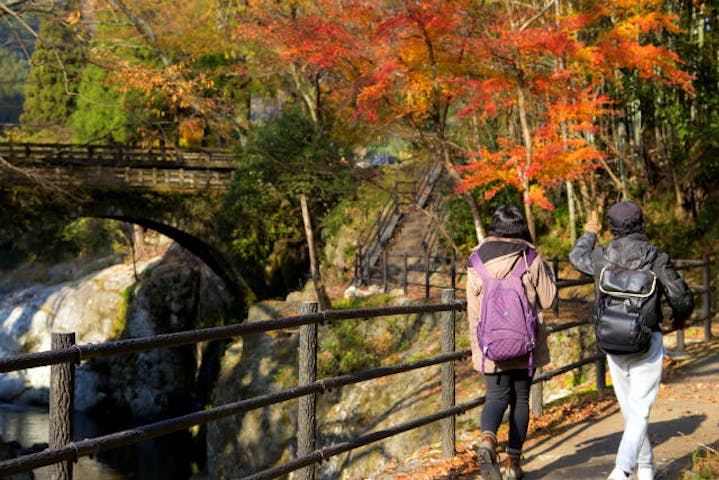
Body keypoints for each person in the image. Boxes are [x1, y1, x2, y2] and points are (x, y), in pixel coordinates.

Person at [569, 201, 694, 480]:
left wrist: (590, 232)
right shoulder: (655, 257)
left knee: (631, 411)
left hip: (612, 343)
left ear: (611, 228)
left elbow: (577, 257)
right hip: (646, 341)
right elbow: (681, 296)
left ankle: (646, 468)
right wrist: (680, 318)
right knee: (638, 410)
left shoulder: (601, 257)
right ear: (641, 224)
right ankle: (623, 470)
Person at [466, 205, 557, 480]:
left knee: (495, 398)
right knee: (520, 400)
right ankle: (512, 465)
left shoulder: (476, 261)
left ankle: (487, 441)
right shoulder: (530, 257)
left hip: (490, 345)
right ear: (520, 226)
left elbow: (473, 311)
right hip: (525, 343)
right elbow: (550, 299)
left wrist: (478, 350)